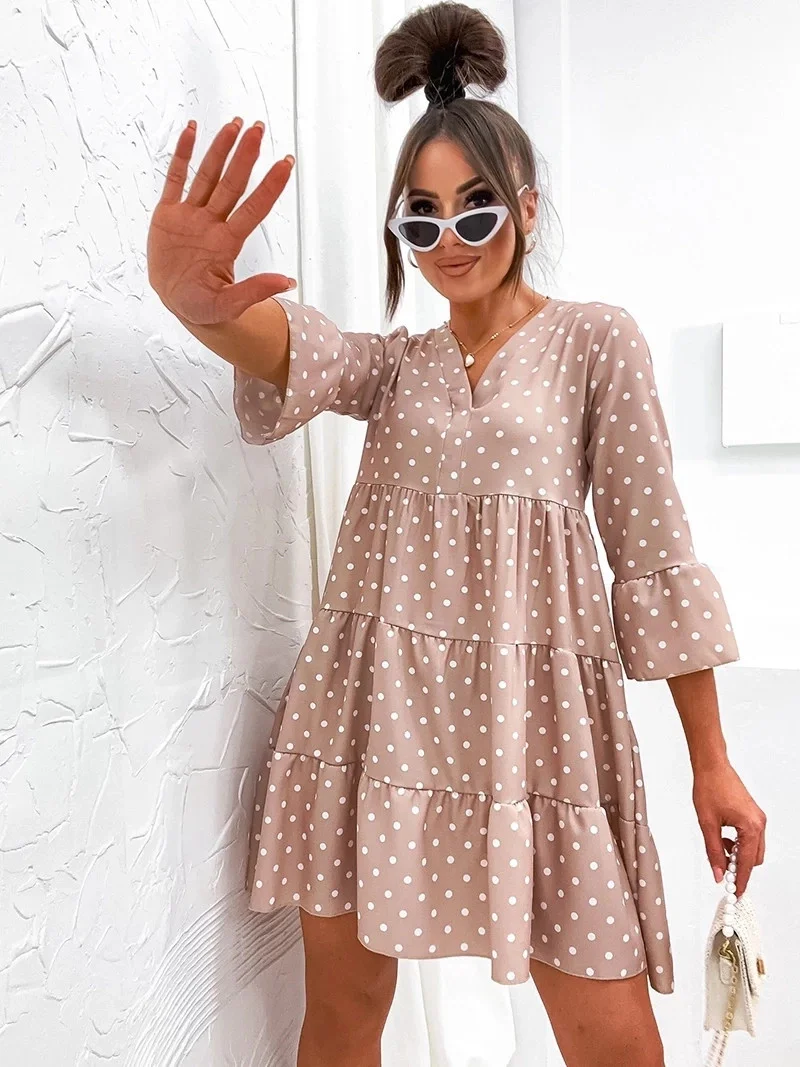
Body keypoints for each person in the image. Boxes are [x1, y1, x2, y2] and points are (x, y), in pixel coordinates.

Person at [147, 4, 767, 1065]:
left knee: (614, 1041)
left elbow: (653, 555)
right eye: (421, 218)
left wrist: (712, 764)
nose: (448, 240)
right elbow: (294, 348)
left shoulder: (593, 343)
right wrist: (191, 303)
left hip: (538, 731)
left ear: (525, 207)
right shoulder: (395, 369)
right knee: (342, 1014)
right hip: (371, 719)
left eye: (475, 209)